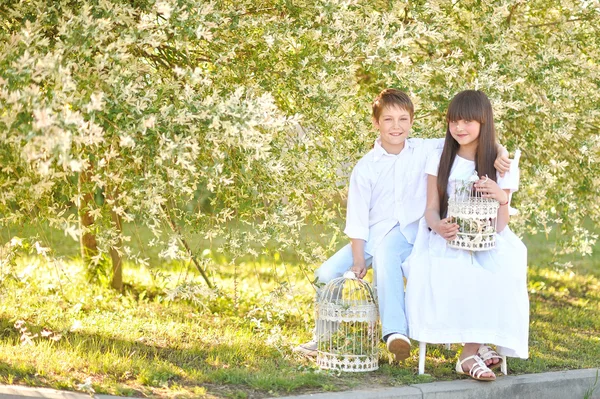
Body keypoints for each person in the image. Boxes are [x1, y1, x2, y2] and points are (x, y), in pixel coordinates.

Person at [294, 89, 510, 362]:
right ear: (376, 123)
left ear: (411, 121)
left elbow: (470, 137)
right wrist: (358, 259)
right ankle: (325, 337)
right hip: (372, 236)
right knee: (325, 273)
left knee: (388, 255)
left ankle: (396, 333)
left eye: (402, 119)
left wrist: (500, 150)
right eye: (388, 120)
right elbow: (358, 220)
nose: (396, 126)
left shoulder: (424, 148)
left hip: (409, 234)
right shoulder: (365, 168)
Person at [403, 90, 529, 381]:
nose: (460, 128)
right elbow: (431, 210)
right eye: (454, 121)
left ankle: (473, 349)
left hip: (488, 239)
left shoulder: (501, 164)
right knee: (460, 270)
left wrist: (501, 197)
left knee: (502, 270)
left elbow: (500, 225)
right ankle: (474, 351)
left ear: (484, 123)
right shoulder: (440, 158)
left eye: (468, 121)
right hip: (449, 238)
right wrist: (438, 227)